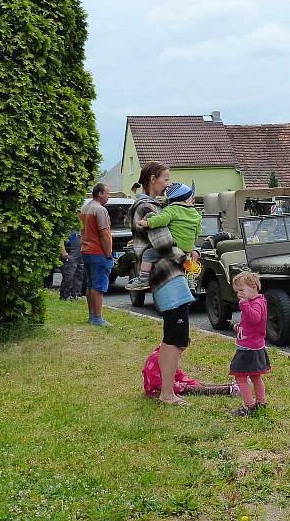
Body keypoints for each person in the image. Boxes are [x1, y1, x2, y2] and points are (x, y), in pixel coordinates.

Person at [129, 161, 199, 406]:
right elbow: (163, 244)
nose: (168, 184)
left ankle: (167, 386)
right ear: (152, 179)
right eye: (166, 179)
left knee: (177, 336)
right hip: (165, 275)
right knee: (175, 336)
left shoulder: (158, 207)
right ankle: (167, 393)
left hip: (171, 275)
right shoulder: (145, 207)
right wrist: (185, 257)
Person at [128, 182, 201, 290]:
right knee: (188, 262)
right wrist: (190, 243)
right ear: (185, 200)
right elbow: (197, 232)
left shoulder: (171, 209)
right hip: (188, 247)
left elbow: (161, 220)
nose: (192, 200)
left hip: (174, 245)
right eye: (191, 198)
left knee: (148, 254)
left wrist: (147, 223)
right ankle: (190, 282)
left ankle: (143, 279)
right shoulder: (196, 214)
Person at [229, 271, 270, 417]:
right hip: (254, 345)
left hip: (248, 348)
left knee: (240, 376)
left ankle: (249, 407)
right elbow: (251, 323)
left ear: (253, 287)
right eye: (237, 291)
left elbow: (255, 318)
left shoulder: (256, 303)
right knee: (255, 376)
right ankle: (261, 403)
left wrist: (244, 304)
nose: (239, 294)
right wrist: (239, 326)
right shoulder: (256, 301)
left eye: (241, 290)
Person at [142, 345, 240, 398]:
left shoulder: (165, 355)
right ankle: (230, 390)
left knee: (200, 385)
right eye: (180, 352)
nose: (180, 355)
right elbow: (156, 382)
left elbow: (176, 373)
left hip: (172, 383)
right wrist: (178, 387)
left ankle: (232, 386)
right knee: (198, 390)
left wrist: (190, 381)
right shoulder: (159, 359)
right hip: (160, 389)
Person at [80, 183, 113, 326]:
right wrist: (109, 253)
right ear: (100, 193)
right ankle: (97, 318)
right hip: (98, 252)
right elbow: (104, 233)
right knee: (98, 286)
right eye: (107, 194)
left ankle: (91, 315)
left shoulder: (85, 207)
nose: (108, 197)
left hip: (86, 250)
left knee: (90, 285)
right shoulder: (100, 210)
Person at [59, 229, 84, 300]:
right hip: (69, 251)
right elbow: (60, 238)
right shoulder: (67, 222)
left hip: (79, 252)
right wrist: (63, 251)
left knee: (79, 274)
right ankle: (65, 296)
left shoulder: (79, 224)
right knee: (68, 276)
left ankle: (75, 295)